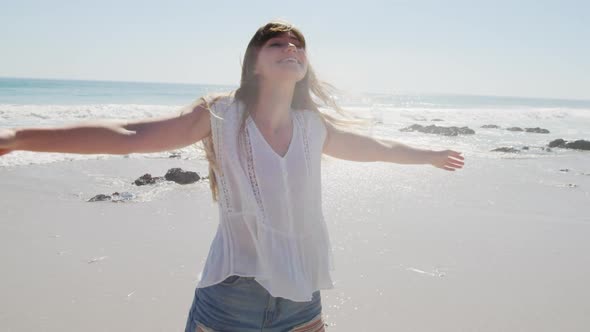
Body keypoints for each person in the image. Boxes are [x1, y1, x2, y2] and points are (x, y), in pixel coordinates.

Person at [0, 20, 464, 332]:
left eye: (297, 45)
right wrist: (20, 137)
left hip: (303, 297)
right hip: (232, 297)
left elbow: (375, 147)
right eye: (276, 44)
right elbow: (129, 135)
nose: (291, 49)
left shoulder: (312, 125)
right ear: (255, 62)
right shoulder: (221, 114)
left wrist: (428, 154)